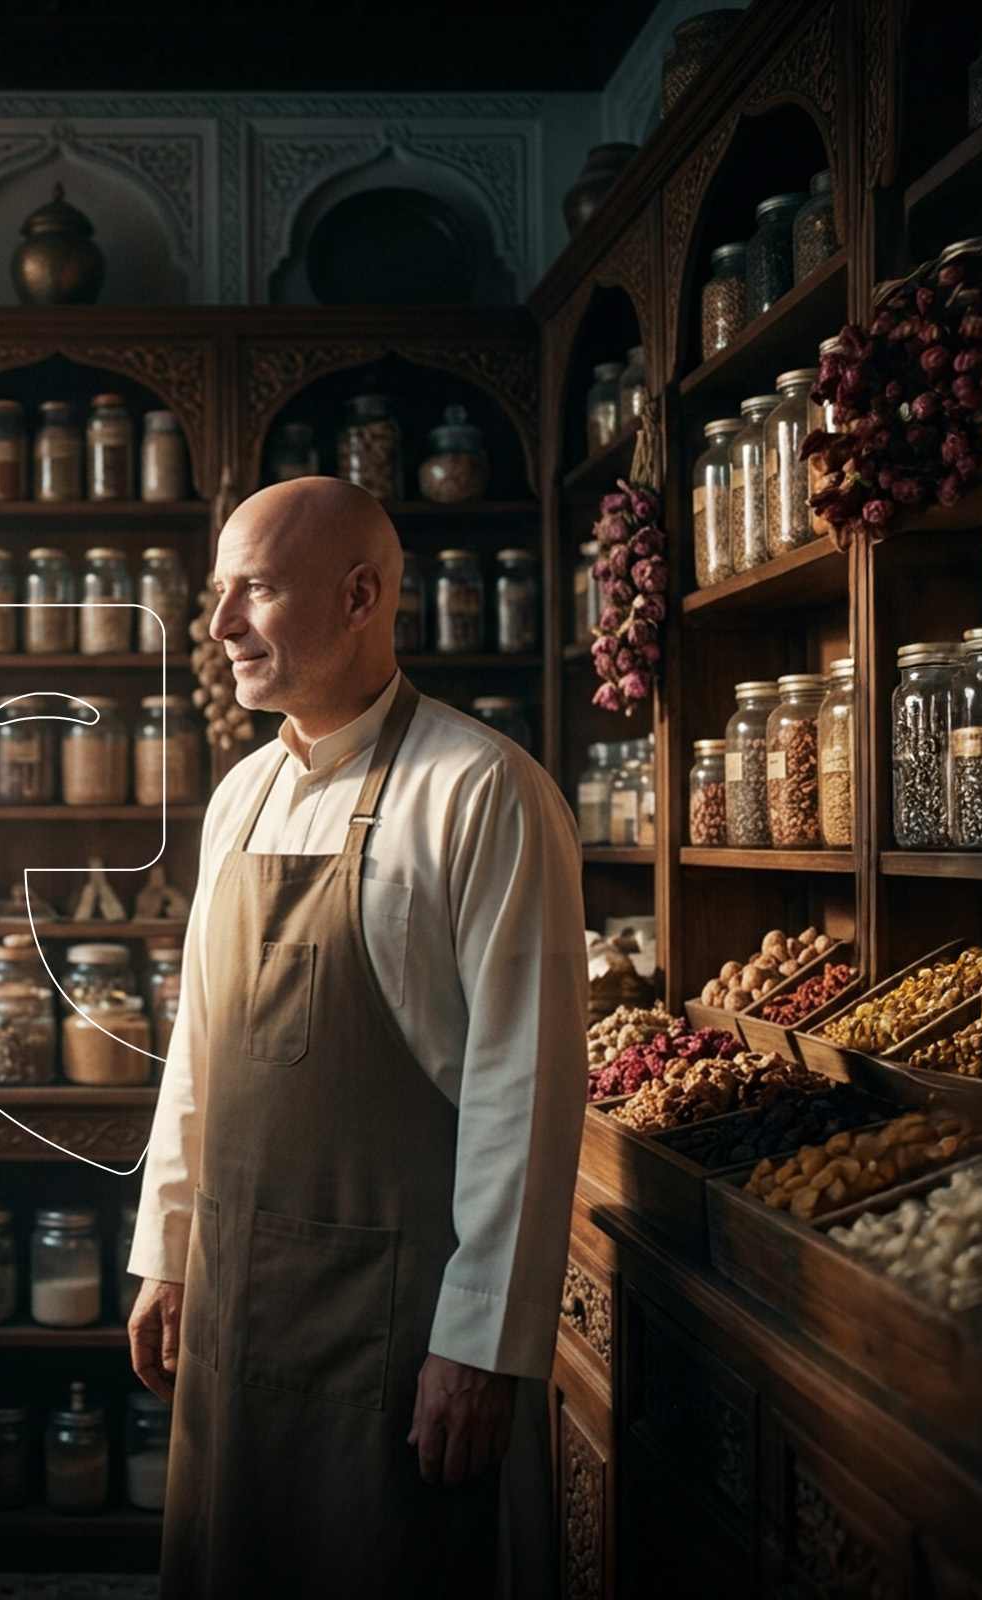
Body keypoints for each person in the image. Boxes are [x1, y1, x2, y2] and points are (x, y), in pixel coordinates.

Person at [126, 477, 587, 1598]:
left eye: (255, 590)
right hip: (237, 1293)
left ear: (360, 596)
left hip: (397, 1323)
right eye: (218, 594)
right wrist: (167, 1248)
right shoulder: (239, 796)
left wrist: (480, 1343)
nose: (220, 624)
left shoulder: (483, 789)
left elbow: (524, 1093)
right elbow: (199, 1050)